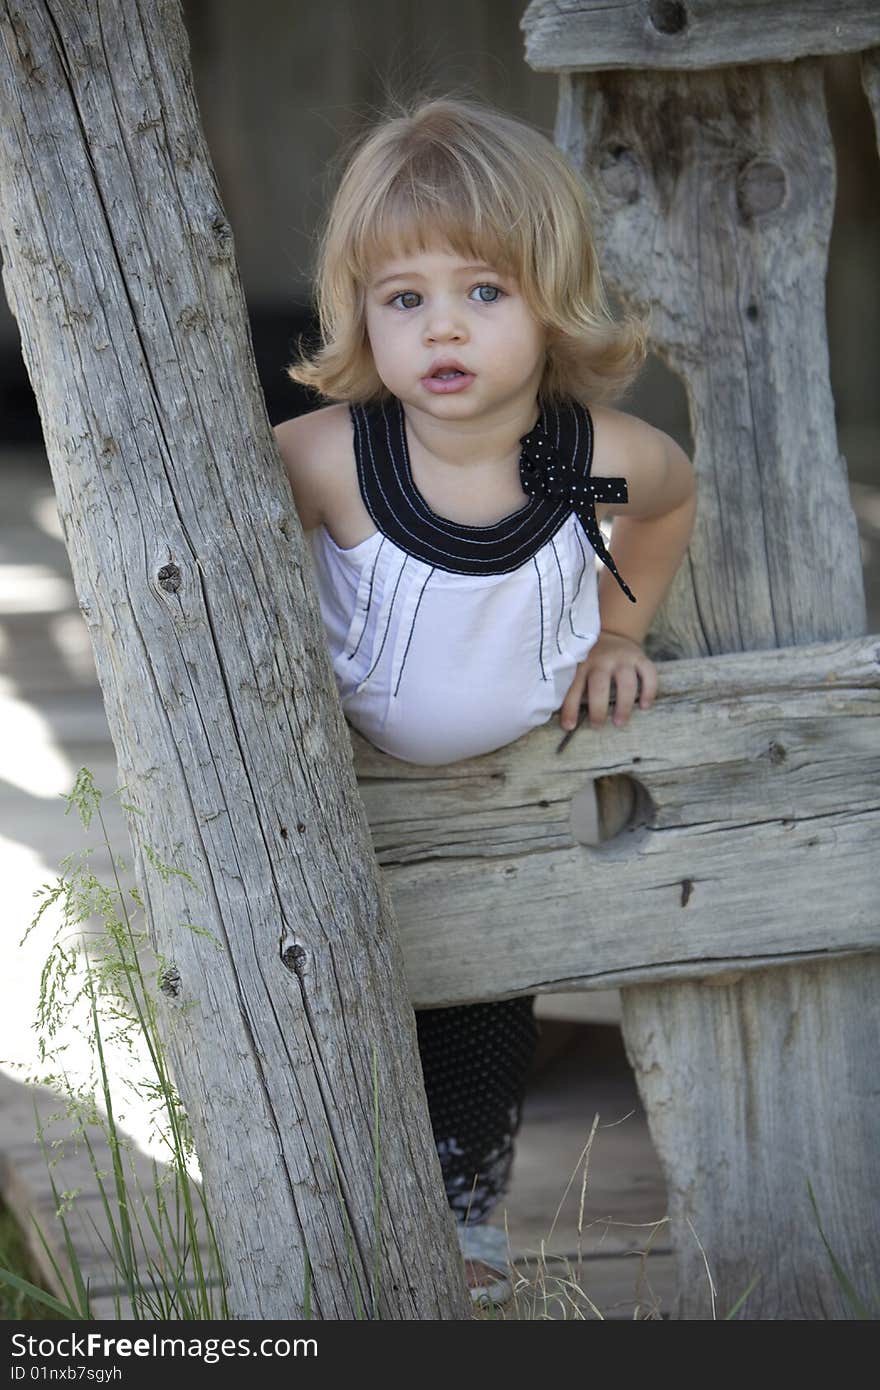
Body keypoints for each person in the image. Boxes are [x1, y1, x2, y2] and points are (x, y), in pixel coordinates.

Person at [275, 96, 696, 1305]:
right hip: (337, 782)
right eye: (404, 298)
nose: (441, 326)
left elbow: (670, 501)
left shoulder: (597, 455)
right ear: (362, 312)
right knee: (336, 988)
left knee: (481, 995)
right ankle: (324, 1203)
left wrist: (618, 630)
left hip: (504, 789)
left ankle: (468, 1214)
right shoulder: (326, 460)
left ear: (550, 300)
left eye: (483, 292)